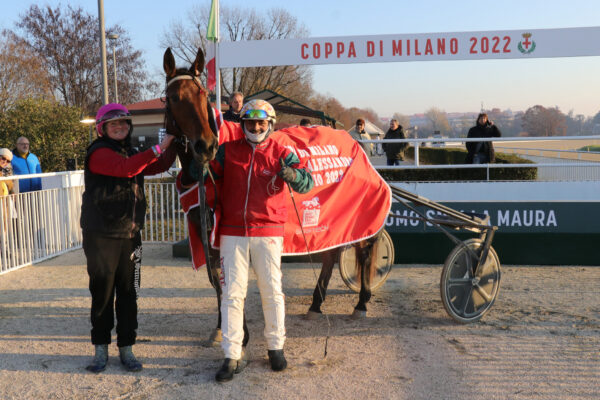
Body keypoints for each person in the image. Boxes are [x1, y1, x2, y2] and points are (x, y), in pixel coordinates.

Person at [208, 99, 313, 382]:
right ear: (243, 124)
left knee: (272, 291)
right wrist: (198, 159)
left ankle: (275, 347)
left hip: (267, 231)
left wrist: (292, 174)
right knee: (232, 293)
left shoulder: (281, 151)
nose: (255, 127)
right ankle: (231, 354)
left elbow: (307, 182)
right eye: (250, 122)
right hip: (232, 231)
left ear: (270, 124)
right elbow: (204, 173)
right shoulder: (227, 150)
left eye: (261, 123)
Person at [80, 103, 176, 373]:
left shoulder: (133, 151)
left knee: (129, 294)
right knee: (102, 294)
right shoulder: (98, 152)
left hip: (130, 235)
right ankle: (100, 349)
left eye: (123, 123)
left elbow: (158, 165)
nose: (120, 127)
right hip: (101, 236)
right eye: (113, 124)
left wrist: (177, 142)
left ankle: (126, 348)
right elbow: (126, 169)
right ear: (102, 129)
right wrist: (158, 147)